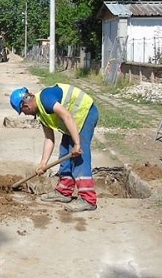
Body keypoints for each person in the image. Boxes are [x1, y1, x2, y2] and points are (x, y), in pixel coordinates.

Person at [10, 84, 99, 212]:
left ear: (26, 106)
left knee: (79, 157)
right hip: (73, 121)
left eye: (24, 112)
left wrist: (77, 144)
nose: (26, 114)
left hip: (85, 113)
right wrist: (43, 163)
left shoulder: (46, 98)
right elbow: (49, 139)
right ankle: (64, 191)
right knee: (65, 154)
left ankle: (88, 199)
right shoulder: (41, 112)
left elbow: (67, 116)